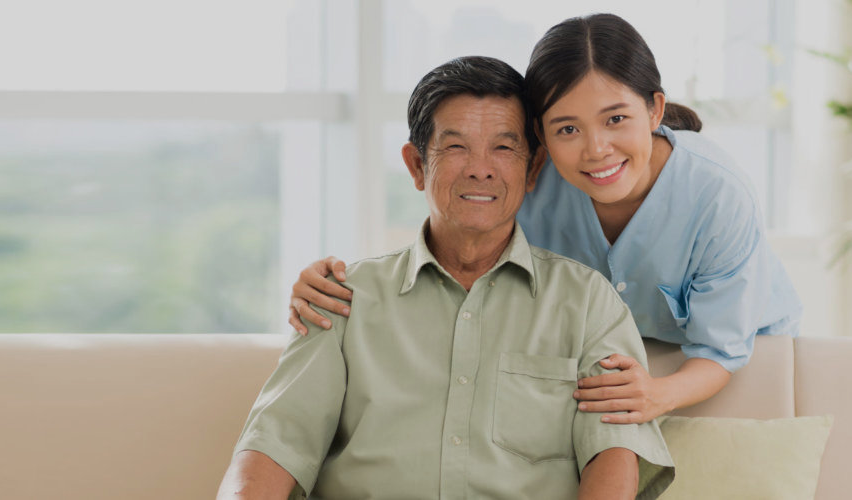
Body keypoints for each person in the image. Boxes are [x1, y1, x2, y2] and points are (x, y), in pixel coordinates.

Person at [287, 13, 801, 424]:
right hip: (604, 353)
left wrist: (657, 394)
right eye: (567, 128)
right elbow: (454, 243)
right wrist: (332, 284)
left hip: (730, 358)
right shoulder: (529, 179)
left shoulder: (716, 192)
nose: (597, 150)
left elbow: (721, 349)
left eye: (616, 119)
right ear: (540, 135)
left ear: (654, 109)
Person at [221, 56, 672, 500]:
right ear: (417, 166)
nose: (480, 168)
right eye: (456, 146)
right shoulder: (341, 299)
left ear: (533, 168)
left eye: (503, 147)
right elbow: (272, 449)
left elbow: (614, 457)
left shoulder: (588, 301)